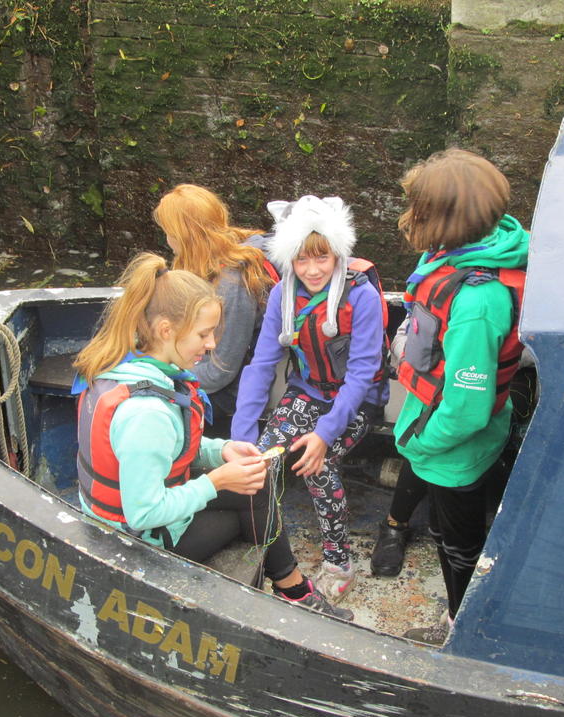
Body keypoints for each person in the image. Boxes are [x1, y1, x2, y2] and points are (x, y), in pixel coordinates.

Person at [73, 251, 352, 620]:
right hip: (136, 539)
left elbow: (170, 448)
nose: (211, 345)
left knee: (256, 484)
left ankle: (292, 588)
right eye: (203, 334)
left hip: (132, 517)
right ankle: (293, 591)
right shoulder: (147, 414)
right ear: (166, 330)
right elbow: (144, 513)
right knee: (253, 510)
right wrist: (217, 482)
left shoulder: (128, 365)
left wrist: (221, 451)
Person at [388, 148, 529, 643]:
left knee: (458, 545)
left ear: (441, 219)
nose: (408, 217)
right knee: (448, 530)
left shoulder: (476, 302)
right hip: (447, 431)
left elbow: (467, 410)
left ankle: (461, 632)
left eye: (417, 209)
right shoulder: (464, 254)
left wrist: (421, 445)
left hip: (454, 449)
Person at [232, 196, 389, 600]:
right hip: (309, 391)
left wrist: (324, 434)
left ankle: (339, 561)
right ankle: (262, 547)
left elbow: (361, 375)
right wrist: (241, 438)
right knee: (257, 463)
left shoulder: (361, 296)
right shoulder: (282, 296)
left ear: (337, 253)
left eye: (322, 257)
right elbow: (261, 365)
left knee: (317, 464)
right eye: (301, 260)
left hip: (357, 400)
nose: (313, 269)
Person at [152, 184, 275, 436]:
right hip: (204, 367)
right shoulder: (210, 258)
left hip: (234, 389)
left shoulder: (232, 284)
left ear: (185, 236)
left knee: (147, 406)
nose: (167, 240)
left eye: (168, 232)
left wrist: (159, 375)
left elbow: (220, 373)